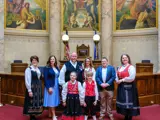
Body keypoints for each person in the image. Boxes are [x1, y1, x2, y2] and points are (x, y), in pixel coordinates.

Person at [116, 54, 140, 120]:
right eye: (123, 58)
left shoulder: (131, 67)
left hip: (129, 87)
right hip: (121, 87)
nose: (124, 59)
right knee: (124, 102)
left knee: (129, 103)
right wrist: (117, 80)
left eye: (126, 58)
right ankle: (126, 115)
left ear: (128, 59)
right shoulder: (120, 67)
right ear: (121, 60)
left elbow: (132, 78)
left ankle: (130, 116)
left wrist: (122, 80)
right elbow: (116, 75)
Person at [23, 55, 43, 120]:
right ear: (31, 61)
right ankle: (31, 116)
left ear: (37, 61)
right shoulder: (28, 69)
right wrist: (29, 90)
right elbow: (27, 80)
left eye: (36, 60)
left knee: (36, 101)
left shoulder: (38, 69)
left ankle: (34, 115)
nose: (34, 61)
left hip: (38, 88)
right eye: (33, 60)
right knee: (31, 101)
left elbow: (39, 77)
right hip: (32, 87)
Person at [43, 55, 60, 120]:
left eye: (53, 59)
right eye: (51, 59)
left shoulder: (56, 67)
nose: (52, 60)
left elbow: (58, 76)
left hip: (56, 85)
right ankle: (54, 115)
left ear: (55, 60)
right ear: (49, 60)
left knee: (53, 100)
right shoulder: (46, 68)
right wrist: (48, 87)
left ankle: (50, 113)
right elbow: (45, 78)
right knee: (52, 100)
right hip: (50, 85)